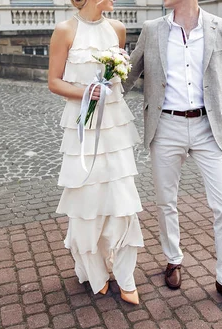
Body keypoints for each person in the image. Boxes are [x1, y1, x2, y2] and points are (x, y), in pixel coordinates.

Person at [122, 0, 222, 312]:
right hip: (165, 126)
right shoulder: (152, 30)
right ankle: (173, 260)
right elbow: (128, 76)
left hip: (210, 127)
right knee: (166, 200)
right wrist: (102, 81)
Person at [48, 0, 143, 305]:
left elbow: (120, 77)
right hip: (83, 130)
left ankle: (125, 274)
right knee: (88, 201)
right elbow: (54, 81)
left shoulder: (118, 29)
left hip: (115, 127)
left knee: (122, 199)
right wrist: (86, 92)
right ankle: (95, 271)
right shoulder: (64, 30)